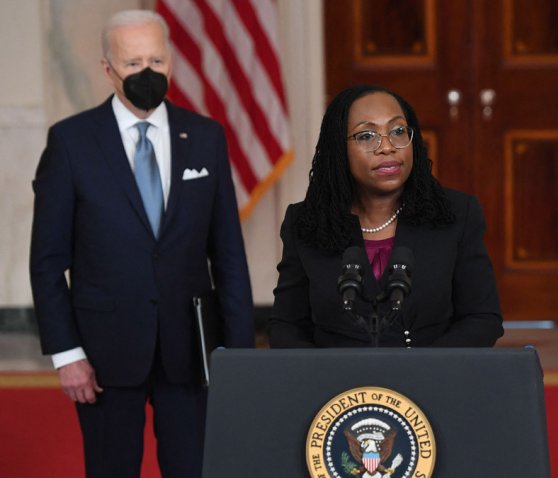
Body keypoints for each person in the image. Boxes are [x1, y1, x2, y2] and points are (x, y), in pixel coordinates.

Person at [29, 10, 254, 477]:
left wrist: (239, 354)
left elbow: (228, 254)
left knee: (195, 470)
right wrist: (68, 355)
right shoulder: (71, 142)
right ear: (108, 69)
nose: (147, 72)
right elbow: (48, 261)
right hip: (104, 353)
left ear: (171, 62)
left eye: (156, 58)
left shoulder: (207, 138)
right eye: (133, 63)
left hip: (191, 351)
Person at [268, 85, 503, 348]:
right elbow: (286, 325)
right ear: (338, 149)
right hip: (339, 386)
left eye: (398, 131)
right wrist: (323, 379)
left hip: (429, 381)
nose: (387, 147)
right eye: (367, 135)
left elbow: (482, 318)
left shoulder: (456, 214)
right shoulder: (306, 223)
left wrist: (423, 371)